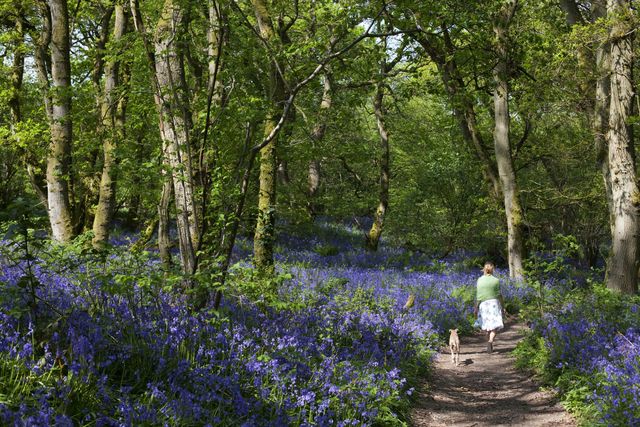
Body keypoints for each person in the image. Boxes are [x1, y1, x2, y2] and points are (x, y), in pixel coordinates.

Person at [474, 261, 505, 353]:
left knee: (486, 325)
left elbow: (478, 296)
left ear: (484, 269)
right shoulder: (496, 280)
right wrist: (503, 306)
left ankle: (488, 342)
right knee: (494, 326)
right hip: (494, 304)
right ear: (493, 269)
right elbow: (499, 295)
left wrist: (476, 307)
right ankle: (490, 341)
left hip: (483, 305)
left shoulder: (479, 280)